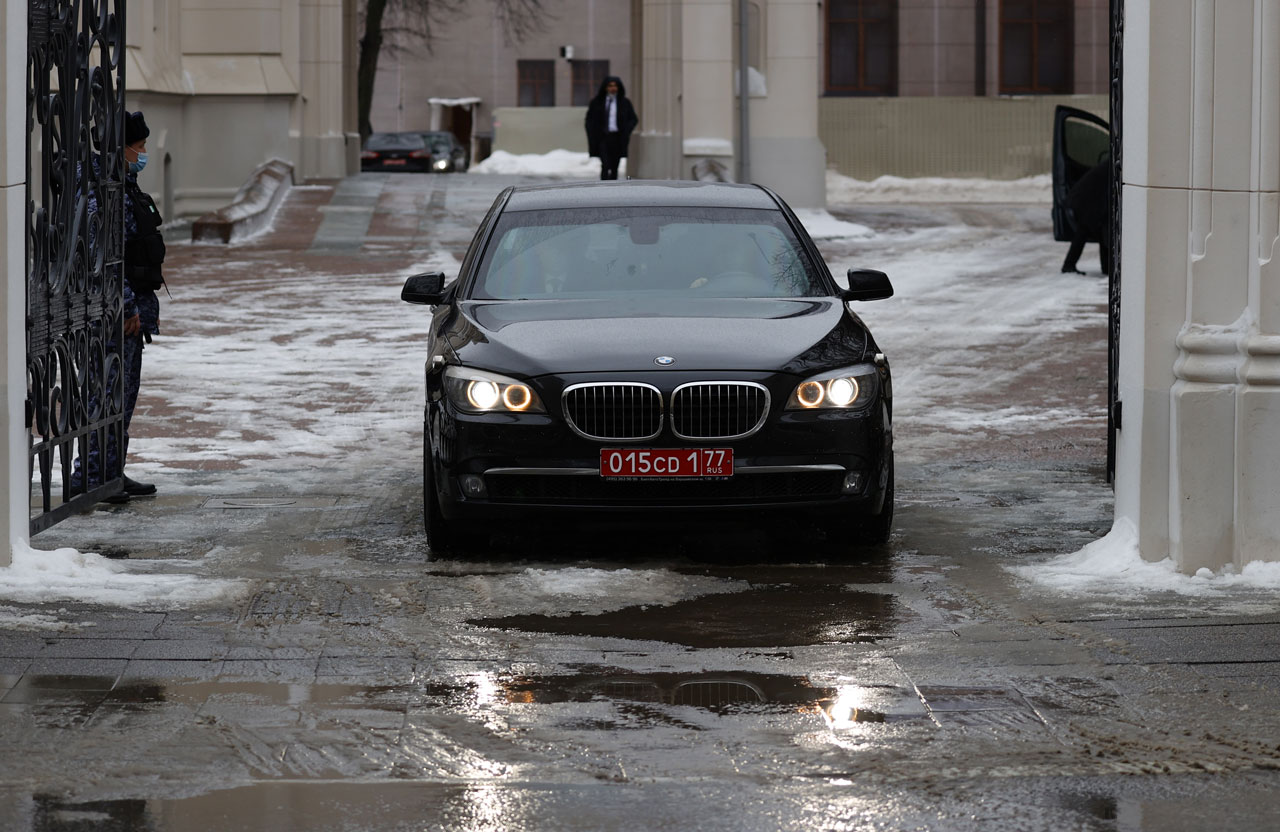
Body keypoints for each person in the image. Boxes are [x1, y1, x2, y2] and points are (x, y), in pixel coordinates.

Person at [70, 111, 166, 502]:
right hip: (110, 315)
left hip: (130, 311)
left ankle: (111, 472)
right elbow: (104, 256)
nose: (143, 154)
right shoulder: (100, 190)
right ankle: (90, 476)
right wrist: (126, 306)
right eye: (139, 147)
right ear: (120, 148)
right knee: (104, 394)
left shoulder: (122, 185)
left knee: (122, 398)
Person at [585, 76, 638, 181]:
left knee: (614, 165)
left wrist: (626, 130)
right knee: (605, 164)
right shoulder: (597, 102)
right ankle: (604, 185)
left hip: (618, 138)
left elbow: (633, 119)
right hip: (603, 137)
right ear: (605, 87)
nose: (613, 88)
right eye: (610, 86)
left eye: (615, 86)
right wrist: (593, 133)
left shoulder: (624, 103)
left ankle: (613, 186)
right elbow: (589, 120)